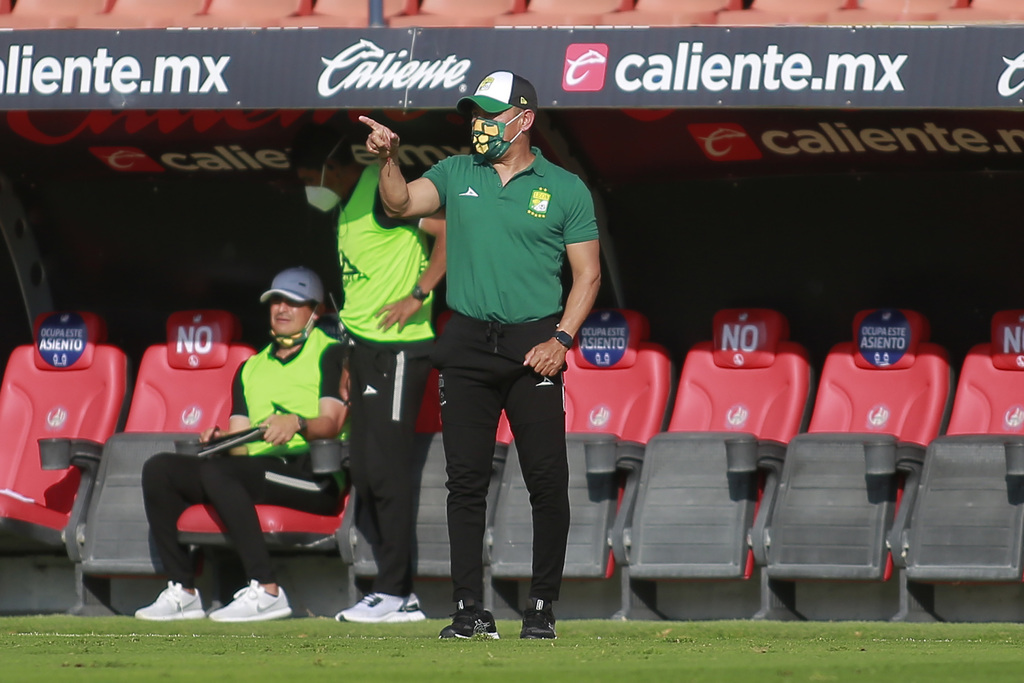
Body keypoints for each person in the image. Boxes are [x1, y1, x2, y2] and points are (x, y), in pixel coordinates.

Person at [360, 71, 602, 639]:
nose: (480, 125)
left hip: (534, 342)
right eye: (475, 115)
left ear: (524, 119)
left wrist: (561, 340)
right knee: (465, 482)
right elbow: (400, 203)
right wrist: (388, 159)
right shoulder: (456, 170)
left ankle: (541, 607)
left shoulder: (565, 187)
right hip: (468, 340)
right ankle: (469, 610)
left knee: (547, 481)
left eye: (491, 115)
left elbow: (588, 275)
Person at [289, 123, 446, 623]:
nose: (309, 188)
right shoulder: (346, 206)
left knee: (388, 471)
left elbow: (450, 232)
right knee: (364, 469)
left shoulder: (382, 192)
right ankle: (389, 589)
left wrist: (418, 294)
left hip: (398, 351)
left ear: (334, 168)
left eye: (310, 178)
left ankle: (399, 593)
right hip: (363, 351)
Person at [135, 267, 348, 622]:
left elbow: (332, 423)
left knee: (221, 473)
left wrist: (297, 423)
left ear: (317, 311)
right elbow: (240, 449)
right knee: (160, 469)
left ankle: (267, 589)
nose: (282, 309)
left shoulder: (332, 354)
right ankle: (183, 590)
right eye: (276, 301)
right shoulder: (250, 367)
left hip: (312, 474)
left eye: (294, 302)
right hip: (256, 471)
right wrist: (222, 440)